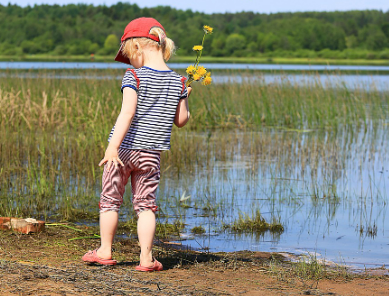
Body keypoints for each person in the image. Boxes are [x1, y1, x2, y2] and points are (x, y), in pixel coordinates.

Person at [82, 17, 191, 271]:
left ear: (137, 49)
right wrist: (184, 95)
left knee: (110, 200)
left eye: (129, 55)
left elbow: (127, 113)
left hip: (123, 150)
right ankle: (146, 258)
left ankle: (105, 251)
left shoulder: (134, 75)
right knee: (145, 206)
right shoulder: (179, 82)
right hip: (151, 154)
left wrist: (112, 147)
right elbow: (182, 120)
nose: (129, 61)